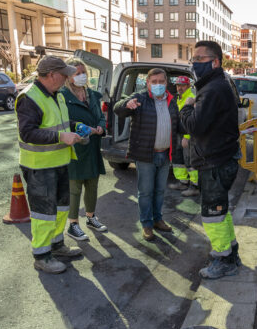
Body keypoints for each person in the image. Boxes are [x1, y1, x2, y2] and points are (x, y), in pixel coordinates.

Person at [16, 56, 84, 274]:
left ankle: (57, 245)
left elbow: (59, 123)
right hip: (39, 166)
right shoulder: (29, 97)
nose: (67, 78)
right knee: (43, 213)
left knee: (62, 207)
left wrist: (77, 126)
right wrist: (61, 138)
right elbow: (28, 132)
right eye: (64, 74)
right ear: (52, 74)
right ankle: (42, 255)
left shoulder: (57, 95)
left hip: (59, 162)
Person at [179, 41, 241, 279]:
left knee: (212, 214)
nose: (194, 63)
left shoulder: (213, 89)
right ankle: (231, 253)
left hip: (215, 162)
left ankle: (224, 259)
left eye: (199, 59)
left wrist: (186, 107)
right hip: (218, 159)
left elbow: (194, 125)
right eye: (193, 58)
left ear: (215, 62)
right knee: (220, 211)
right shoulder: (216, 85)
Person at [113, 68, 179, 241]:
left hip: (165, 154)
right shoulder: (140, 98)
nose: (158, 85)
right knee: (145, 192)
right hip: (145, 155)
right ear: (148, 83)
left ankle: (158, 219)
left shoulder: (171, 101)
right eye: (154, 82)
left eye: (161, 82)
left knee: (159, 191)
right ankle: (147, 224)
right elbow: (117, 109)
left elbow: (178, 124)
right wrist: (126, 105)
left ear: (166, 83)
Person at [60, 58, 108, 241]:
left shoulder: (92, 94)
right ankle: (73, 224)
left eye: (83, 72)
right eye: (76, 73)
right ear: (68, 76)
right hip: (75, 148)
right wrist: (79, 127)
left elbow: (100, 117)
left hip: (93, 147)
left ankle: (90, 217)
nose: (81, 76)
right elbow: (63, 122)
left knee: (92, 185)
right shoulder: (63, 96)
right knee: (75, 188)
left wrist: (101, 127)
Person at [169, 76, 199, 197]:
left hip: (187, 135)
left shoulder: (190, 98)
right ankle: (182, 182)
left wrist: (187, 137)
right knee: (178, 159)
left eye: (182, 85)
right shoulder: (179, 98)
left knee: (190, 161)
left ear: (188, 86)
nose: (179, 88)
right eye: (177, 85)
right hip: (178, 134)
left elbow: (192, 121)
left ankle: (195, 186)